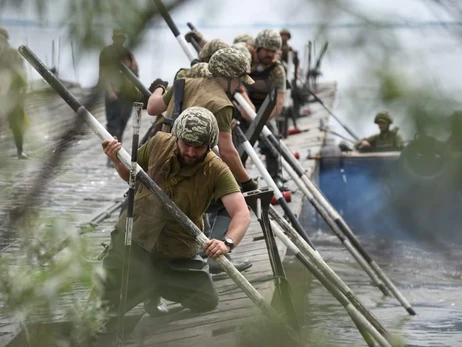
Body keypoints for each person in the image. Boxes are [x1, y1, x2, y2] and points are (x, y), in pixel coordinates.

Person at [100, 106, 251, 316]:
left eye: (198, 147)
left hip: (176, 251)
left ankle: (151, 285)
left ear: (209, 145)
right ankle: (143, 286)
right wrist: (116, 159)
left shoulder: (217, 170)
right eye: (186, 144)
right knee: (103, 309)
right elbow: (131, 177)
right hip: (135, 240)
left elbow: (241, 213)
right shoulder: (158, 143)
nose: (190, 152)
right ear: (177, 137)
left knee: (206, 300)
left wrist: (227, 243)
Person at [147, 48, 257, 274]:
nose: (238, 87)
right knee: (234, 203)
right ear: (227, 77)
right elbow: (227, 152)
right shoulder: (222, 105)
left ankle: (200, 248)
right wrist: (246, 183)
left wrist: (159, 87)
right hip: (190, 173)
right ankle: (215, 257)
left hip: (160, 167)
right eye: (238, 81)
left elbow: (153, 107)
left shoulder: (185, 83)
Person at [239, 29, 287, 190]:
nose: (270, 55)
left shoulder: (277, 70)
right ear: (257, 48)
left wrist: (260, 123)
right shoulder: (246, 58)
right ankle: (239, 181)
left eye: (273, 51)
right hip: (241, 108)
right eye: (266, 50)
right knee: (239, 146)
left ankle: (276, 178)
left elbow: (279, 102)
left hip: (264, 112)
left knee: (273, 143)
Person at [98, 28, 139, 166]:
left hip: (127, 95)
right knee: (113, 124)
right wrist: (110, 91)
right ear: (113, 38)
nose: (120, 40)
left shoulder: (128, 53)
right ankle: (111, 156)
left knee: (122, 123)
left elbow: (135, 73)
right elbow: (103, 74)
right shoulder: (106, 53)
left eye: (122, 38)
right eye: (117, 38)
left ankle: (117, 152)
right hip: (113, 93)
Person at [0, 26, 29, 159]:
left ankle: (20, 150)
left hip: (13, 95)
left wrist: (22, 92)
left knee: (17, 125)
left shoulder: (13, 54)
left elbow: (22, 74)